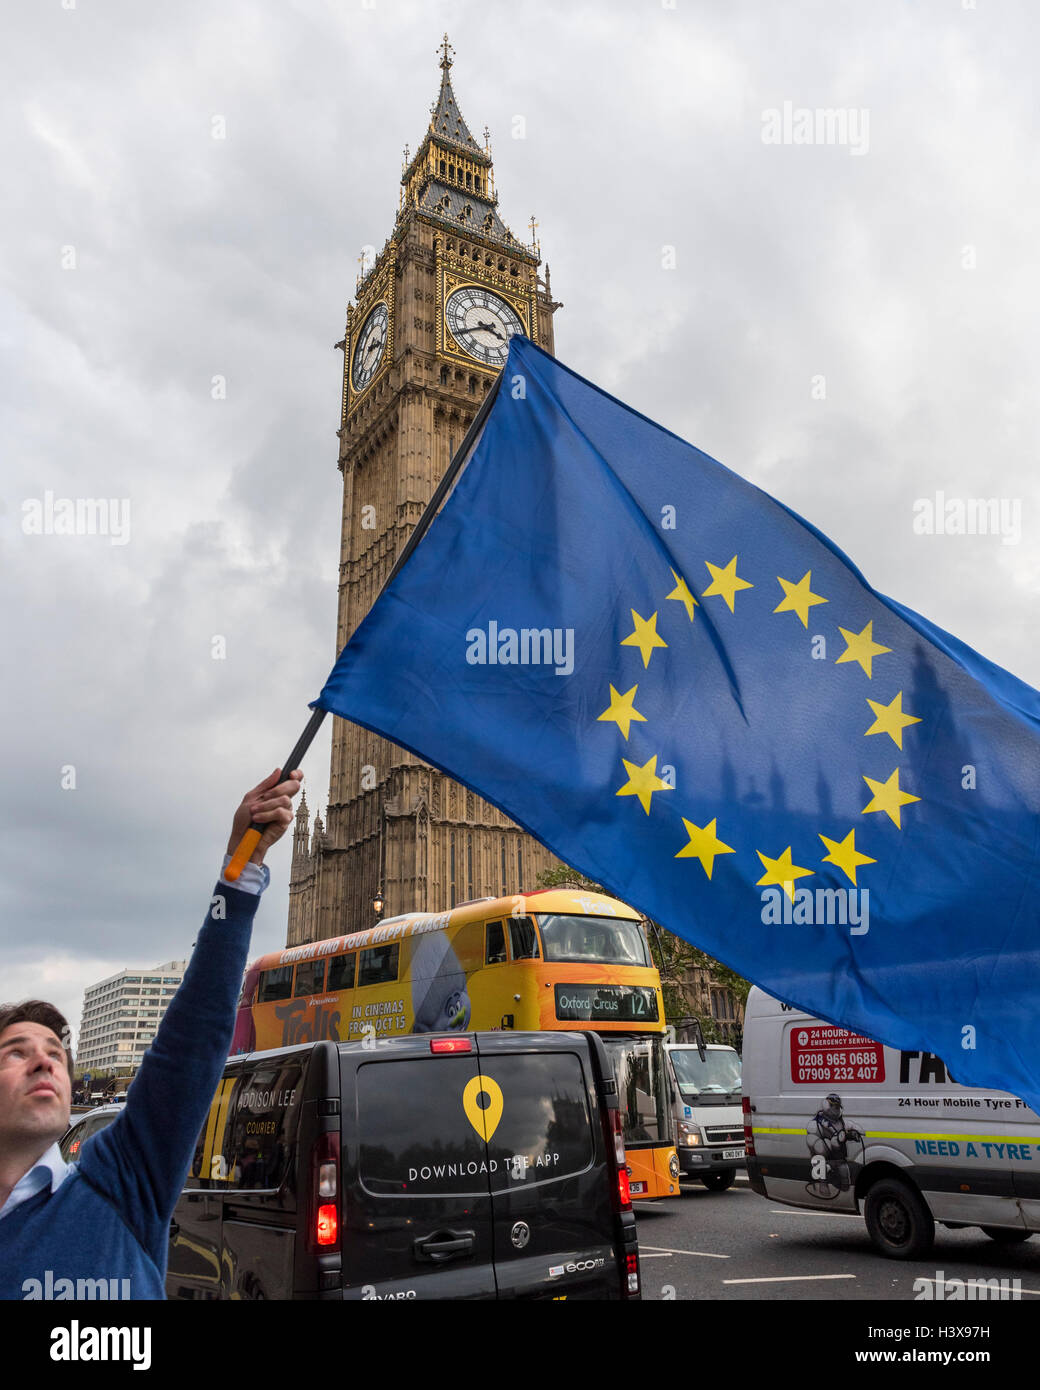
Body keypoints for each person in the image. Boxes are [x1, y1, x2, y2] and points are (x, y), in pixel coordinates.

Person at [0, 767, 302, 1300]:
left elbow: (193, 1040)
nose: (45, 1061)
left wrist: (241, 864)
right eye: (15, 1052)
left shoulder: (120, 1181)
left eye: (54, 1052)